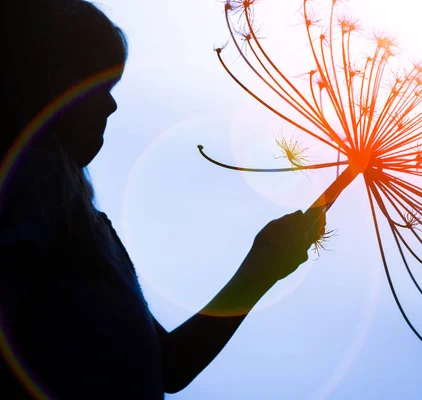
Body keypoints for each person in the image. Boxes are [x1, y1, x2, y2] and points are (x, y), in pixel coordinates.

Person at [0, 1, 325, 398]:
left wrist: (262, 268)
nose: (111, 104)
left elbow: (167, 366)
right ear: (32, 78)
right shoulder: (33, 179)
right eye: (91, 82)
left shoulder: (85, 223)